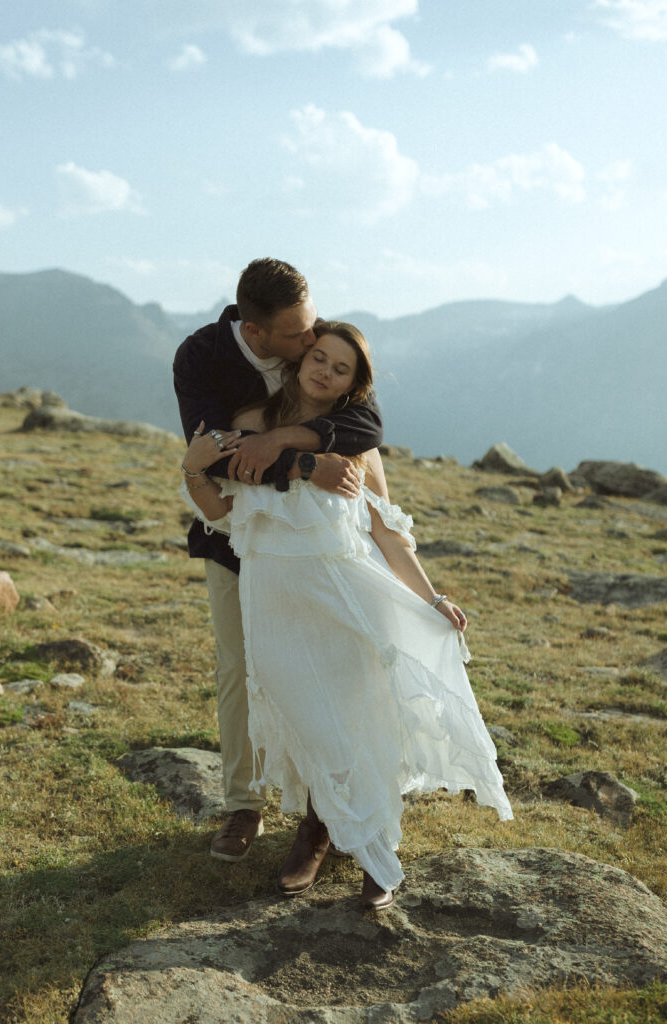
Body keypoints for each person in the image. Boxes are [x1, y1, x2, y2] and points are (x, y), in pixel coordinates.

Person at [180, 320, 513, 910]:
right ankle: (320, 827)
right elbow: (225, 514)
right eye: (320, 358)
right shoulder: (253, 423)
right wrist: (192, 469)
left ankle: (376, 853)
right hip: (275, 604)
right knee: (310, 724)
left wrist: (432, 598)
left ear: (350, 387)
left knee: (360, 722)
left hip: (345, 595)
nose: (325, 372)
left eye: (341, 369)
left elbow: (386, 531)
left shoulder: (355, 441)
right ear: (301, 357)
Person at [173, 259, 383, 862]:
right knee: (240, 669)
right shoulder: (202, 358)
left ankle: (324, 806)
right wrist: (306, 465)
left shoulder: (315, 350)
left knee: (327, 668)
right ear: (256, 331)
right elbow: (212, 456)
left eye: (312, 326)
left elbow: (365, 419)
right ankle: (243, 804)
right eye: (298, 335)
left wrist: (284, 441)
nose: (312, 342)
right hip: (236, 536)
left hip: (318, 546)